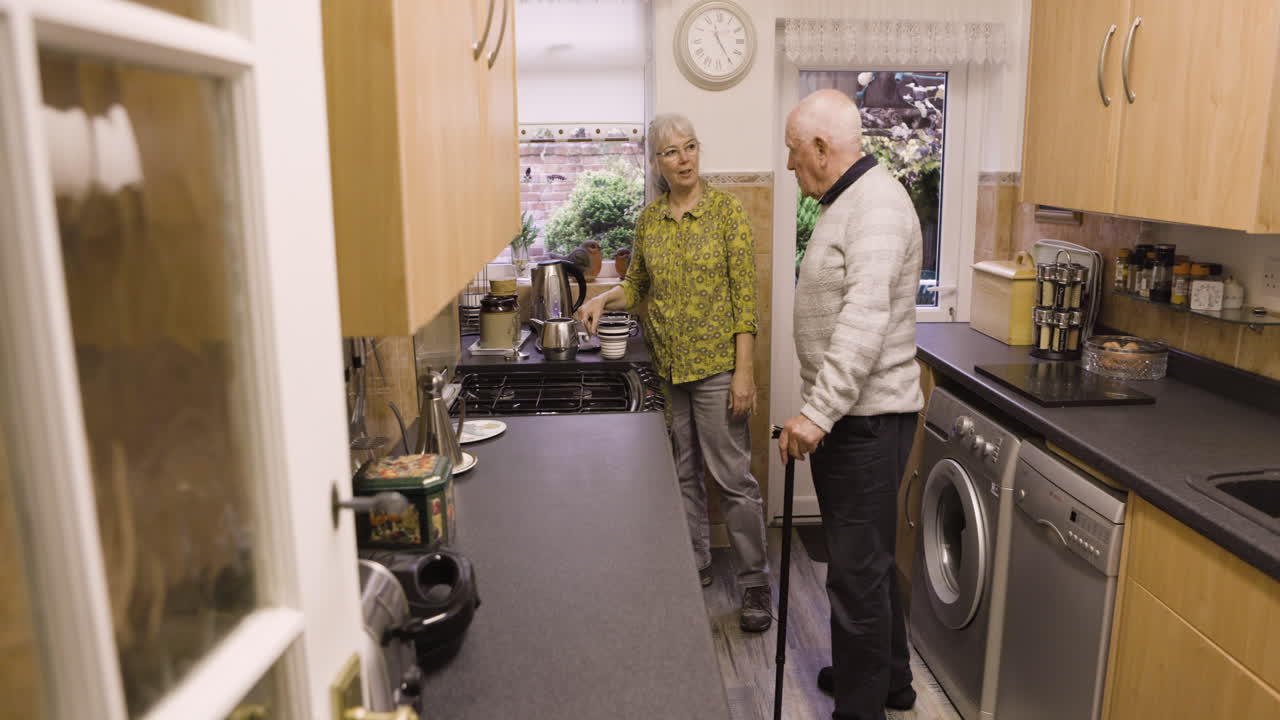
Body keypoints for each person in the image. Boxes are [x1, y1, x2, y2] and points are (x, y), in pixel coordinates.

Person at [576, 113, 772, 632]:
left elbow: (744, 303)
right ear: (656, 163)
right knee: (683, 473)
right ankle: (697, 564)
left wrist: (744, 374)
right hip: (669, 368)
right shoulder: (649, 221)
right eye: (671, 152)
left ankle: (755, 583)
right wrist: (603, 300)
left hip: (715, 368)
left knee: (731, 478)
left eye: (690, 147)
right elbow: (638, 285)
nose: (684, 159)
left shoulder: (727, 213)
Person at [777, 89, 924, 719]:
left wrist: (817, 412)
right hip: (855, 421)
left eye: (792, 152)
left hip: (864, 423)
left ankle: (861, 711)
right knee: (868, 561)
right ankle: (888, 679)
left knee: (855, 573)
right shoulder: (847, 201)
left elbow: (862, 322)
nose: (788, 166)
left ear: (819, 147)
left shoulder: (878, 206)